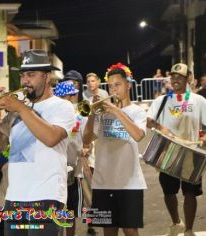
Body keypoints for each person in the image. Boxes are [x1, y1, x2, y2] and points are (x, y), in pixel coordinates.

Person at [0, 49, 75, 236]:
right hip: (14, 197)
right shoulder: (17, 111)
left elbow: (51, 138)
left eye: (31, 75)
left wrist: (20, 108)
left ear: (47, 77)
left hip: (46, 197)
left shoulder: (62, 106)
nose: (25, 81)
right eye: (23, 75)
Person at [83, 62, 147, 236]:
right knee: (108, 231)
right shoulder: (102, 112)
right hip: (102, 182)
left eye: (117, 85)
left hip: (130, 182)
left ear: (128, 85)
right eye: (110, 86)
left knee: (130, 230)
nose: (113, 90)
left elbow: (138, 135)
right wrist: (92, 115)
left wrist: (115, 111)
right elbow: (86, 139)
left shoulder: (138, 111)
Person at [146, 63, 206, 236]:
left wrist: (204, 137)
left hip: (192, 152)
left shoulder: (199, 101)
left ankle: (188, 229)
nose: (175, 80)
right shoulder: (162, 100)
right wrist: (159, 127)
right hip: (168, 151)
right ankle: (176, 223)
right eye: (173, 77)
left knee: (190, 192)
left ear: (188, 79)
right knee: (169, 192)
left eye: (180, 77)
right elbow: (149, 121)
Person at [53, 81, 89, 236]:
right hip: (62, 169)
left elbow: (84, 141)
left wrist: (85, 149)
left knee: (68, 211)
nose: (73, 97)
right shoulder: (58, 116)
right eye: (71, 95)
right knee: (65, 212)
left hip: (69, 170)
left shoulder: (79, 116)